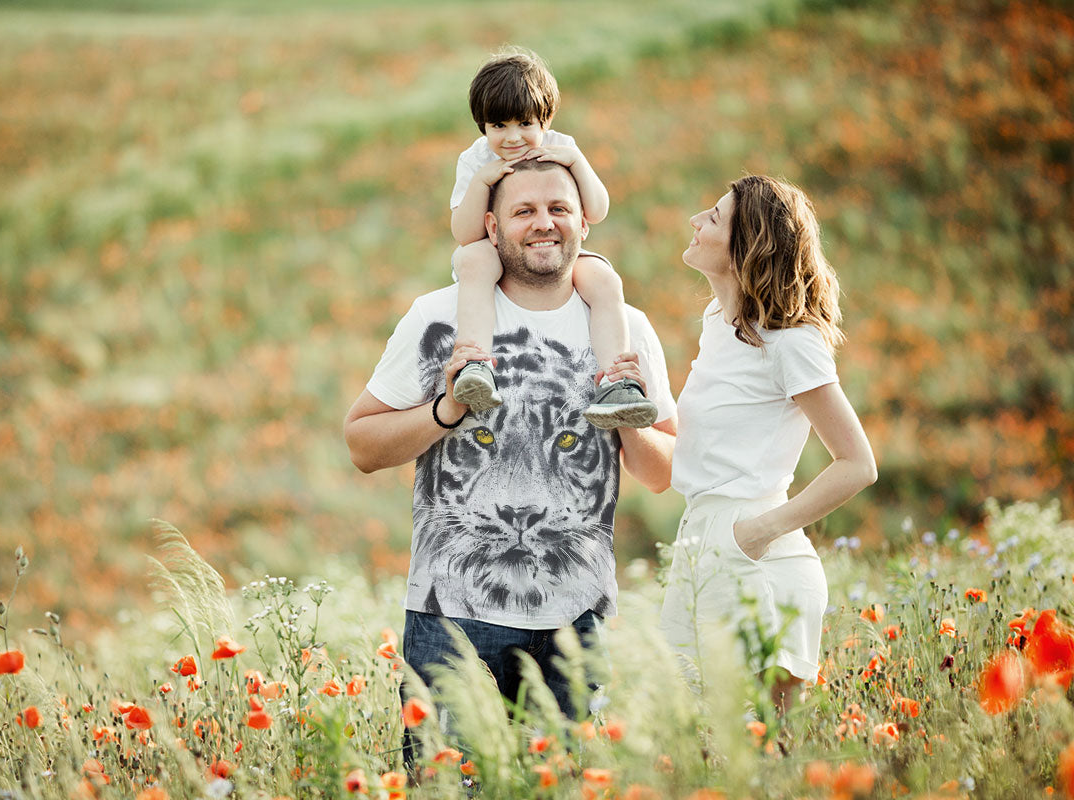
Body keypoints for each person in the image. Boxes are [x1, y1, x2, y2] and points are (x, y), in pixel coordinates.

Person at [344, 158, 677, 762]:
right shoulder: (439, 318)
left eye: (558, 209)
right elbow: (362, 444)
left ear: (583, 222)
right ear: (493, 228)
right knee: (448, 789)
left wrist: (630, 420)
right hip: (450, 614)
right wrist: (448, 410)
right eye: (524, 211)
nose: (543, 223)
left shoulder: (624, 328)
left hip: (579, 616)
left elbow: (663, 473)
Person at [659, 175, 877, 713]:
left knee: (759, 749)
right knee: (694, 741)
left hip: (754, 554)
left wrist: (756, 533)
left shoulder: (791, 343)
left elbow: (857, 463)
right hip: (702, 538)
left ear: (747, 246)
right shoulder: (720, 322)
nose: (696, 221)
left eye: (714, 217)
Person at [448, 47, 658, 430]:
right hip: (493, 247)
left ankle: (616, 382)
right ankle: (475, 365)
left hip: (552, 251)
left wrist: (576, 162)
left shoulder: (563, 146)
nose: (513, 138)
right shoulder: (476, 160)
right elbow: (464, 234)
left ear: (545, 119)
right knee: (475, 261)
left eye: (525, 123)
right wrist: (482, 182)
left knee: (604, 280)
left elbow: (597, 210)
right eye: (499, 126)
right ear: (483, 126)